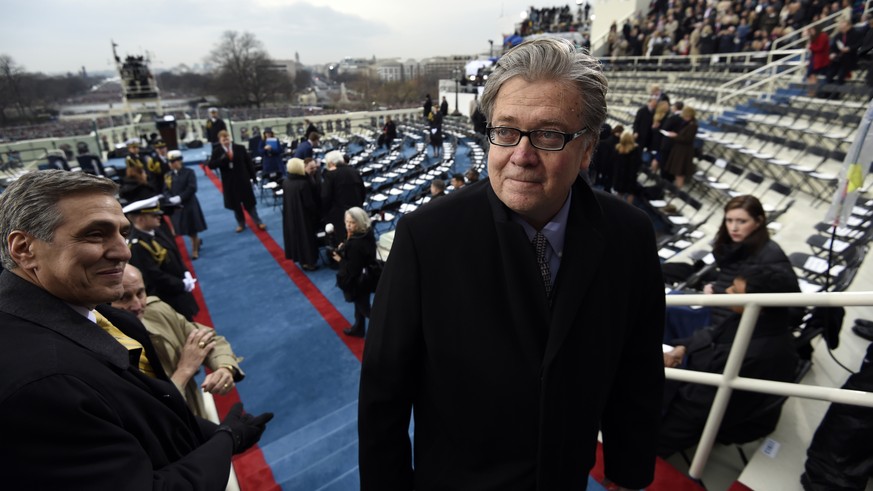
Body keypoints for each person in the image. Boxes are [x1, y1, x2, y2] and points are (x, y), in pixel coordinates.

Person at [358, 37, 665, 490]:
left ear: (587, 149)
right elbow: (384, 395)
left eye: (547, 135)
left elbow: (637, 370)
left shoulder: (630, 236)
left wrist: (627, 473)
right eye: (505, 131)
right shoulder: (426, 237)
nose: (521, 156)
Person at [0, 170, 271, 489]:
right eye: (95, 234)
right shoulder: (39, 380)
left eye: (122, 233)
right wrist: (224, 440)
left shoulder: (102, 314)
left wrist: (216, 436)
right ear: (23, 248)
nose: (123, 252)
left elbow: (143, 417)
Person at [659, 266, 801, 457]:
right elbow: (710, 334)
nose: (727, 292)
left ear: (761, 305)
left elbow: (697, 410)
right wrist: (682, 348)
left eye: (735, 291)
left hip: (707, 413)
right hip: (699, 387)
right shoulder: (755, 318)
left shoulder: (761, 353)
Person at [112, 264, 244, 419]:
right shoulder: (105, 349)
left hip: (196, 413)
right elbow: (146, 414)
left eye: (140, 293)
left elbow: (209, 339)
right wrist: (184, 371)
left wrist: (225, 367)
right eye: (123, 298)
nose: (137, 305)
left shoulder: (156, 310)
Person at [704, 195, 797, 295]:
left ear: (758, 222)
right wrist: (714, 287)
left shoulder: (771, 254)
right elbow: (726, 279)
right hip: (716, 306)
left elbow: (793, 303)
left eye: (742, 221)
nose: (733, 228)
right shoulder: (726, 245)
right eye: (729, 220)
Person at [125, 196, 200, 320]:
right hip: (166, 298)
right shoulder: (137, 245)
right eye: (154, 215)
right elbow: (154, 276)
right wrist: (181, 284)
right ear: (141, 219)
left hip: (177, 292)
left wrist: (185, 272)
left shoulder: (156, 232)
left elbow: (174, 253)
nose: (159, 217)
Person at [208, 130, 267, 233]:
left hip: (243, 180)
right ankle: (241, 223)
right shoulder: (217, 151)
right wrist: (223, 159)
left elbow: (248, 163)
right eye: (223, 139)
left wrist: (253, 177)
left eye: (227, 138)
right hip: (229, 182)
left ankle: (258, 221)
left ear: (230, 138)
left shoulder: (239, 148)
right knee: (236, 205)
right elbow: (211, 165)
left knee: (250, 203)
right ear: (220, 141)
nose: (226, 141)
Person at [331, 207, 377, 338]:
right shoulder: (366, 233)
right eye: (347, 222)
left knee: (366, 309)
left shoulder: (355, 243)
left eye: (352, 222)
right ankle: (359, 328)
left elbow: (352, 269)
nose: (348, 226)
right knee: (360, 306)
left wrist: (340, 259)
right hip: (367, 277)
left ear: (360, 222)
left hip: (359, 282)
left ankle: (389, 331)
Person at [164, 150, 207, 259]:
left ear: (180, 161)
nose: (172, 163)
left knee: (191, 228)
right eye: (170, 161)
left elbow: (192, 188)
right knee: (182, 228)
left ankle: (194, 250)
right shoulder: (168, 175)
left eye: (174, 161)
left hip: (189, 204)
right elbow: (165, 190)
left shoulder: (189, 172)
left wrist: (180, 197)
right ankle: (197, 241)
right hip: (176, 207)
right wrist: (169, 198)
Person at [282, 158, 320, 271]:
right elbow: (309, 204)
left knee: (297, 239)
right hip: (304, 217)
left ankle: (302, 261)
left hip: (291, 217)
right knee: (307, 239)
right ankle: (310, 262)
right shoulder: (303, 183)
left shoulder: (286, 182)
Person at [321, 150, 366, 245]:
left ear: (331, 163)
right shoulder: (354, 171)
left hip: (339, 215)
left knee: (342, 241)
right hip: (357, 210)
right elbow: (363, 192)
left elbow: (325, 198)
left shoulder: (330, 176)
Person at [662, 106, 698, 189]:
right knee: (677, 172)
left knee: (680, 172)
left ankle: (678, 190)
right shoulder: (687, 124)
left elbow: (687, 139)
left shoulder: (693, 126)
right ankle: (676, 189)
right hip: (679, 150)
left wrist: (675, 136)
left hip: (684, 152)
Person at [826, 19, 863, 85]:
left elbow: (859, 44)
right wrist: (832, 53)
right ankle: (827, 94)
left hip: (850, 58)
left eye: (844, 27)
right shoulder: (839, 35)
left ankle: (835, 94)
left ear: (849, 26)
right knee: (829, 75)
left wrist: (849, 48)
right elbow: (833, 47)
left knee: (841, 76)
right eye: (841, 28)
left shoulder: (856, 33)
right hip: (838, 59)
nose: (842, 29)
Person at [613, 130, 643, 203]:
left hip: (619, 176)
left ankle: (617, 207)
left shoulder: (618, 148)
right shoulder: (635, 149)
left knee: (619, 194)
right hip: (630, 176)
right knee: (631, 193)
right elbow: (639, 163)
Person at [805, 25, 831, 95]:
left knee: (812, 75)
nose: (812, 32)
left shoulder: (823, 36)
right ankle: (811, 92)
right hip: (814, 59)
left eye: (813, 30)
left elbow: (820, 48)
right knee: (810, 75)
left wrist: (810, 47)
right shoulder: (814, 37)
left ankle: (813, 92)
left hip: (820, 59)